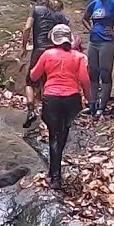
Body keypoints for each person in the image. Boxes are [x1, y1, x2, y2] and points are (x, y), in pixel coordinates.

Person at [30, 23, 91, 189]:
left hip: (52, 98)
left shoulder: (47, 54)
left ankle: (54, 176)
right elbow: (85, 81)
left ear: (54, 39)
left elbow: (34, 75)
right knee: (63, 132)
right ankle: (54, 171)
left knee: (53, 135)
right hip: (72, 99)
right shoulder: (78, 57)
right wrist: (89, 98)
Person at [20, 0, 69, 127]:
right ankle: (49, 115)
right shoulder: (58, 15)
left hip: (39, 50)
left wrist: (24, 46)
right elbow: (66, 32)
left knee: (30, 82)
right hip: (54, 52)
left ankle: (31, 111)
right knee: (49, 83)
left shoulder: (35, 10)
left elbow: (27, 28)